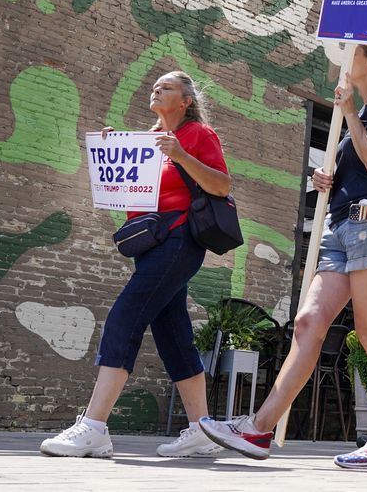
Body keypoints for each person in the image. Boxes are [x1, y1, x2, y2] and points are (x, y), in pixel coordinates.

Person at [200, 44, 367, 470]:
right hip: (341, 227)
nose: (341, 59)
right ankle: (260, 429)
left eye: (351, 53)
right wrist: (328, 181)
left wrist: (351, 111)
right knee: (308, 322)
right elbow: (357, 167)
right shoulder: (357, 114)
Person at [40, 71, 231, 458]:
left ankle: (94, 427)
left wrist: (178, 153)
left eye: (167, 87)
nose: (156, 90)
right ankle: (201, 430)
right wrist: (113, 151)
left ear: (186, 101)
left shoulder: (197, 135)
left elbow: (222, 185)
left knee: (124, 318)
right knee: (173, 334)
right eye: (155, 86)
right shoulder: (144, 138)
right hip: (150, 244)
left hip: (179, 240)